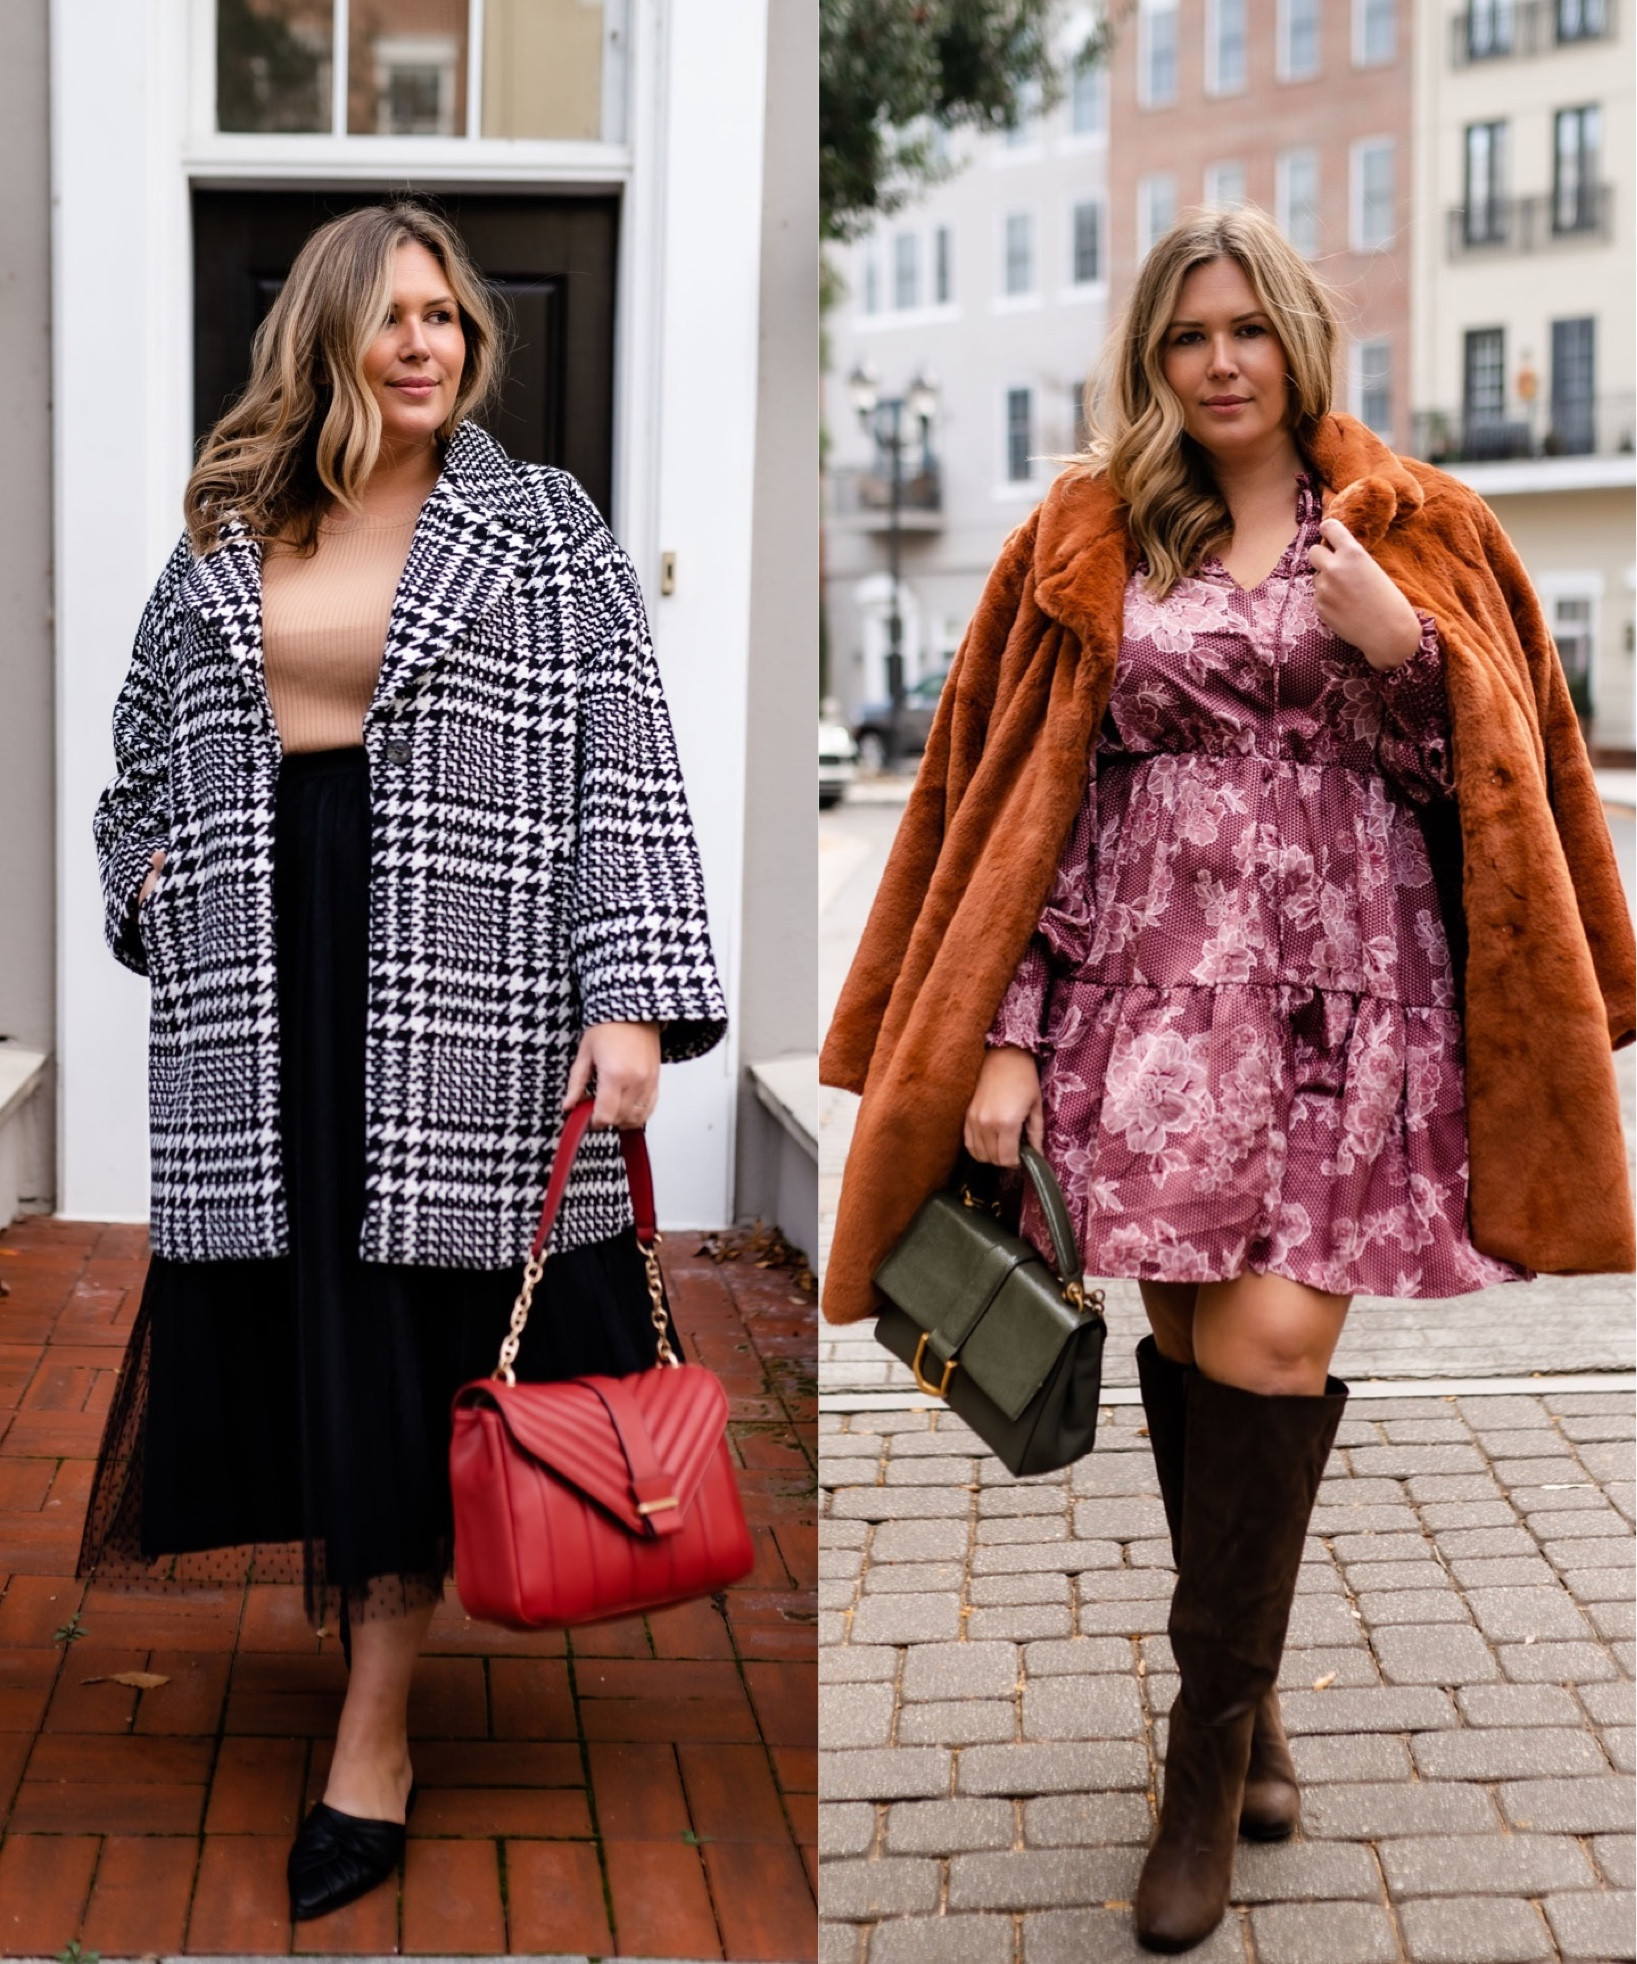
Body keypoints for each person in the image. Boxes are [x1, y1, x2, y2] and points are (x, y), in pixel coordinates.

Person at [820, 206, 1633, 1955]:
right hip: (1149, 1004)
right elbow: (1025, 805)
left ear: (1296, 343)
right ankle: (1252, 1703)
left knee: (1268, 1345)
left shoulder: (1412, 527)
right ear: (1153, 357)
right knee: (1188, 1343)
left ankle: (1194, 1769)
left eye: (1246, 330)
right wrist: (1011, 1036)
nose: (1219, 362)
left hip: (1353, 1009)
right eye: (1188, 336)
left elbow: (1493, 765)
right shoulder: (1085, 536)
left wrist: (1397, 647)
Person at [84, 200, 726, 1923]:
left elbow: (627, 764)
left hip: (474, 983)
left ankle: (376, 1725)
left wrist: (635, 999)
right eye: (392, 316)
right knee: (311, 1320)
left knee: (416, 1331)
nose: (427, 341)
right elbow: (137, 762)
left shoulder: (547, 530)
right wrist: (148, 878)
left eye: (447, 314)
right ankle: (369, 1655)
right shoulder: (227, 526)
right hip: (258, 976)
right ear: (329, 337)